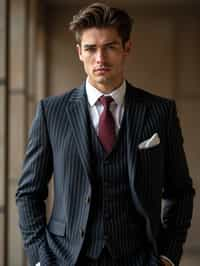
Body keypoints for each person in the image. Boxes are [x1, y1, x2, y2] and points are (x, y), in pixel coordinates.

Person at [16, 2, 195, 266]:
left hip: (140, 258)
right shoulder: (51, 113)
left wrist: (167, 256)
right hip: (67, 258)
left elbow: (180, 191)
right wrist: (41, 259)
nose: (100, 58)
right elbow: (28, 193)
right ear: (79, 52)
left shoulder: (160, 112)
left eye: (110, 47)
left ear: (126, 48)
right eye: (91, 48)